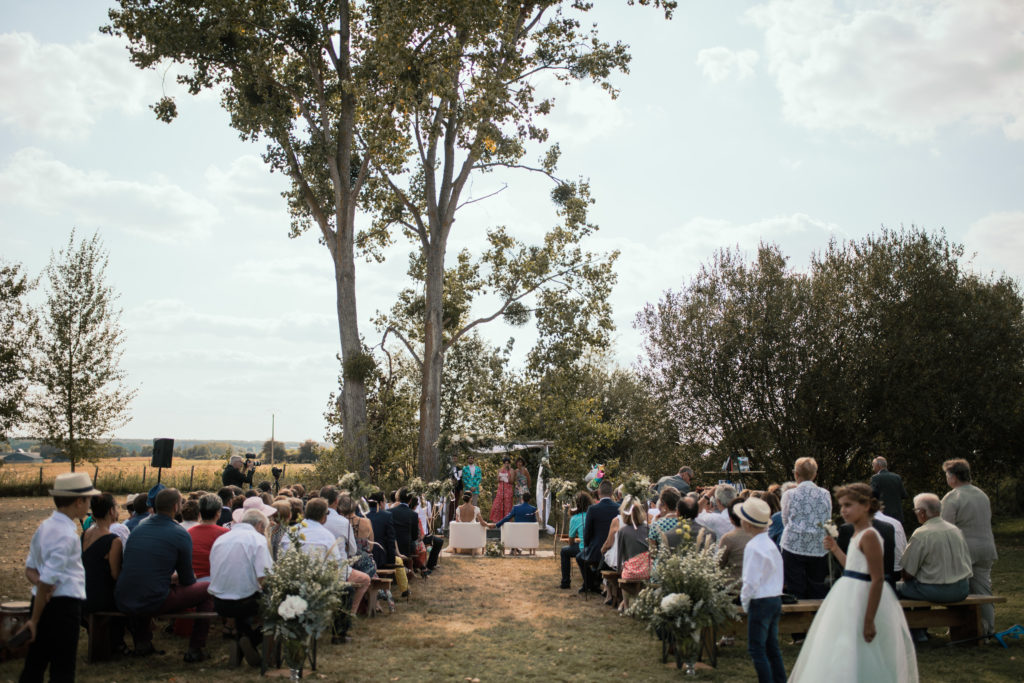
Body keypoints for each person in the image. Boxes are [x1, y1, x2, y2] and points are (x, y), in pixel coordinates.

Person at [790, 483, 918, 682]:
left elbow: (877, 579)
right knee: (844, 644)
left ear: (866, 506)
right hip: (848, 594)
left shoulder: (870, 536)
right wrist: (834, 549)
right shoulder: (855, 533)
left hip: (863, 596)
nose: (843, 510)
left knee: (862, 645)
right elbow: (851, 567)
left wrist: (869, 620)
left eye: (848, 505)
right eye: (841, 506)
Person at [18, 472, 100, 683]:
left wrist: (40, 589)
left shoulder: (45, 527)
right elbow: (47, 579)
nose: (89, 504)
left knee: (35, 664)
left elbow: (31, 570)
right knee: (63, 669)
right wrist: (34, 621)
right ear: (79, 501)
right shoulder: (66, 536)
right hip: (62, 608)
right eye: (88, 499)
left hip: (40, 601)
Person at [115, 488, 213, 662]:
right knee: (208, 589)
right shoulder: (179, 533)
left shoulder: (138, 528)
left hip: (124, 595)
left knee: (145, 586)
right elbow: (187, 579)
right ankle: (196, 648)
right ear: (176, 506)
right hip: (153, 598)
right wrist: (173, 579)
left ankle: (142, 644)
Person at [897, 493, 974, 642]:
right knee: (919, 586)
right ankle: (920, 632)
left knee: (897, 588)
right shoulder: (955, 530)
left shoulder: (921, 534)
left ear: (922, 513)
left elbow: (907, 574)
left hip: (936, 590)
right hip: (962, 588)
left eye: (916, 511)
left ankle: (912, 631)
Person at [208, 508, 274, 667]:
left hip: (219, 603)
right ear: (259, 525)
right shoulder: (257, 539)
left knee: (244, 599)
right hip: (245, 602)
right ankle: (250, 641)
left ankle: (240, 645)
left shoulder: (221, 539)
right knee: (281, 610)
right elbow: (264, 577)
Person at [941, 458, 997, 636]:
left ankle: (959, 629)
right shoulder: (981, 494)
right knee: (983, 590)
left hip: (964, 549)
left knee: (959, 591)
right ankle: (987, 630)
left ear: (954, 477)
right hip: (986, 547)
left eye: (947, 475)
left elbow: (945, 527)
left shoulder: (952, 497)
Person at [737, 497, 786, 683]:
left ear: (747, 524)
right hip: (775, 597)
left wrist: (745, 602)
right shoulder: (770, 544)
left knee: (757, 648)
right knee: (772, 646)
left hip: (760, 600)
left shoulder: (753, 546)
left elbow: (750, 580)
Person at [81, 492, 128, 657]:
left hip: (83, 592)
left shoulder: (85, 534)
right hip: (100, 597)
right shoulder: (113, 540)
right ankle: (118, 643)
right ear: (111, 512)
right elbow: (115, 574)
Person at [780, 458, 831, 601]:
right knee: (817, 586)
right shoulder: (825, 494)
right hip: (818, 545)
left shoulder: (789, 494)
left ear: (796, 474)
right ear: (814, 475)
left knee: (795, 587)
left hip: (794, 544)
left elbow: (785, 519)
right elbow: (827, 517)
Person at [576, 480, 620, 594]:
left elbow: (588, 531)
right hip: (614, 549)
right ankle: (594, 581)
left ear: (599, 492)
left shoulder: (593, 509)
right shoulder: (619, 508)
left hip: (596, 549)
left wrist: (587, 545)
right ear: (611, 493)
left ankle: (590, 583)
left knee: (580, 558)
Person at [189, 493, 229, 581]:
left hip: (191, 579)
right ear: (218, 513)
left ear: (199, 513)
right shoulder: (226, 534)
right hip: (214, 580)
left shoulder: (188, 533)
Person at [560, 492, 592, 589]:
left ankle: (565, 582)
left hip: (583, 547)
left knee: (564, 551)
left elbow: (570, 542)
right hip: (595, 546)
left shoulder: (575, 518)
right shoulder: (593, 514)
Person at [718, 498, 753, 582]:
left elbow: (719, 564)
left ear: (731, 519)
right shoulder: (758, 536)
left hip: (734, 587)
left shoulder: (728, 538)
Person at [870, 457, 909, 524]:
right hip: (897, 515)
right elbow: (904, 495)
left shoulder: (875, 478)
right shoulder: (897, 477)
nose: (873, 468)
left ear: (878, 465)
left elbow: (872, 494)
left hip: (883, 515)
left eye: (873, 465)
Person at [489, 456, 514, 523]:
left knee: (507, 505)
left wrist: (508, 478)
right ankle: (497, 520)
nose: (507, 464)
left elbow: (512, 481)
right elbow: (497, 480)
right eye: (505, 463)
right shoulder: (500, 470)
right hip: (501, 489)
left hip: (508, 490)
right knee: (497, 504)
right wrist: (500, 478)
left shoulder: (511, 470)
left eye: (508, 463)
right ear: (503, 463)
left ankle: (507, 520)